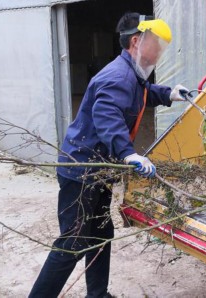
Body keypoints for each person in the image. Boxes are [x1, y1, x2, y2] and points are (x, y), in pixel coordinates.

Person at [29, 13, 187, 298]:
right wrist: (129, 154)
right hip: (82, 172)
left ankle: (97, 295)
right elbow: (107, 116)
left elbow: (142, 94)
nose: (160, 51)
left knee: (101, 235)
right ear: (136, 42)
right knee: (74, 242)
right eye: (157, 44)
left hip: (99, 171)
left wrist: (169, 94)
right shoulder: (117, 76)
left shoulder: (132, 75)